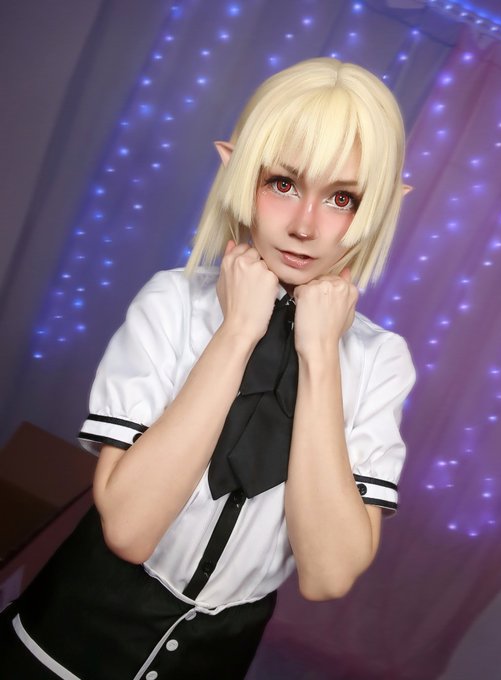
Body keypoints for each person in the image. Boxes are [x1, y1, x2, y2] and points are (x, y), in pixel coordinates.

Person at [0, 57, 415, 679]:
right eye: (282, 183)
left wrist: (320, 356)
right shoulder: (171, 303)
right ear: (237, 169)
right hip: (53, 653)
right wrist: (238, 332)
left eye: (342, 198)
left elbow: (327, 575)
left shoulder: (380, 360)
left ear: (384, 205)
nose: (305, 225)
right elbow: (130, 531)